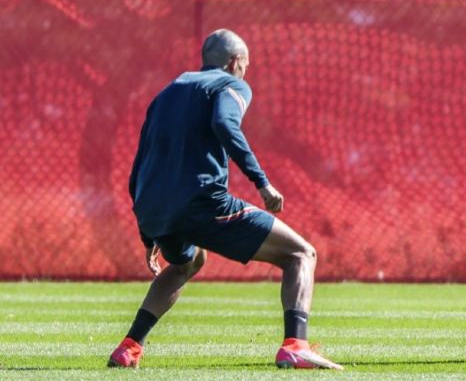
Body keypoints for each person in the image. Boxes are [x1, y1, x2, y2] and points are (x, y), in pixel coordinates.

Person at [108, 29, 342, 370]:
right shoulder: (229, 84)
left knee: (187, 263)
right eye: (245, 66)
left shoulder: (165, 94)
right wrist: (261, 182)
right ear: (235, 62)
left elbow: (139, 163)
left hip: (153, 208)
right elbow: (225, 123)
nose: (246, 73)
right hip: (201, 203)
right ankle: (295, 345)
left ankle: (129, 348)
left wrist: (149, 232)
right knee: (301, 254)